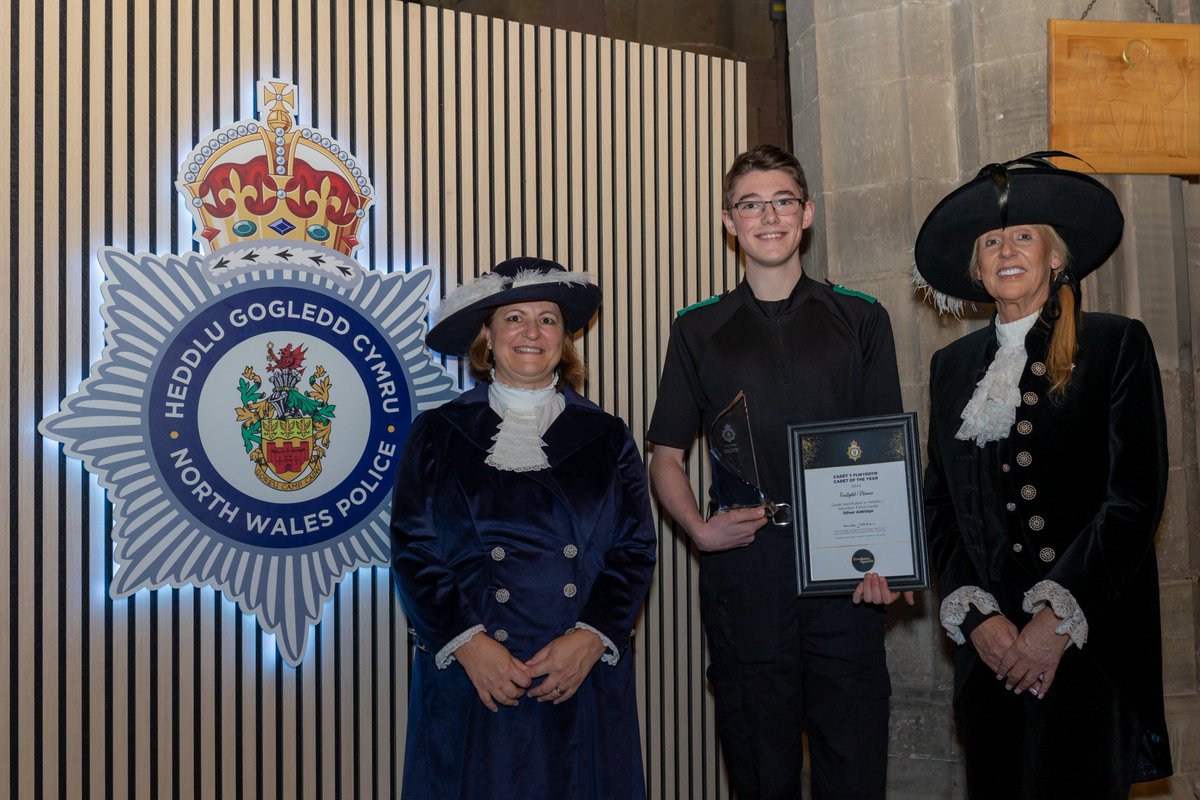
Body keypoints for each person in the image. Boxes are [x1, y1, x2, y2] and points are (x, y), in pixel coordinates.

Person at [647, 144, 910, 800]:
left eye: (782, 200)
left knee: (853, 767)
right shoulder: (697, 328)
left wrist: (898, 561)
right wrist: (697, 532)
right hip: (748, 575)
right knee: (760, 771)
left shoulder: (861, 317)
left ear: (807, 214)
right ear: (729, 222)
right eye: (751, 204)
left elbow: (890, 449)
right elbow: (666, 454)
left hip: (849, 575)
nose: (769, 215)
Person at [914, 153, 1173, 798]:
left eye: (1023, 235)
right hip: (990, 655)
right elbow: (939, 505)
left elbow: (1132, 502)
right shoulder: (950, 368)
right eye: (992, 241)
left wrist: (1051, 626)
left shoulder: (1115, 344)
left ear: (1055, 256)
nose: (1007, 250)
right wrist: (981, 621)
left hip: (1086, 644)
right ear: (976, 269)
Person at [390, 256, 657, 799]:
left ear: (565, 338)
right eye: (514, 318)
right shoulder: (436, 432)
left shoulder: (608, 435)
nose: (532, 332)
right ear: (487, 335)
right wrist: (468, 644)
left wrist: (591, 637)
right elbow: (414, 548)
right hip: (476, 677)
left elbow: (633, 548)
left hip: (578, 675)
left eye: (548, 319)